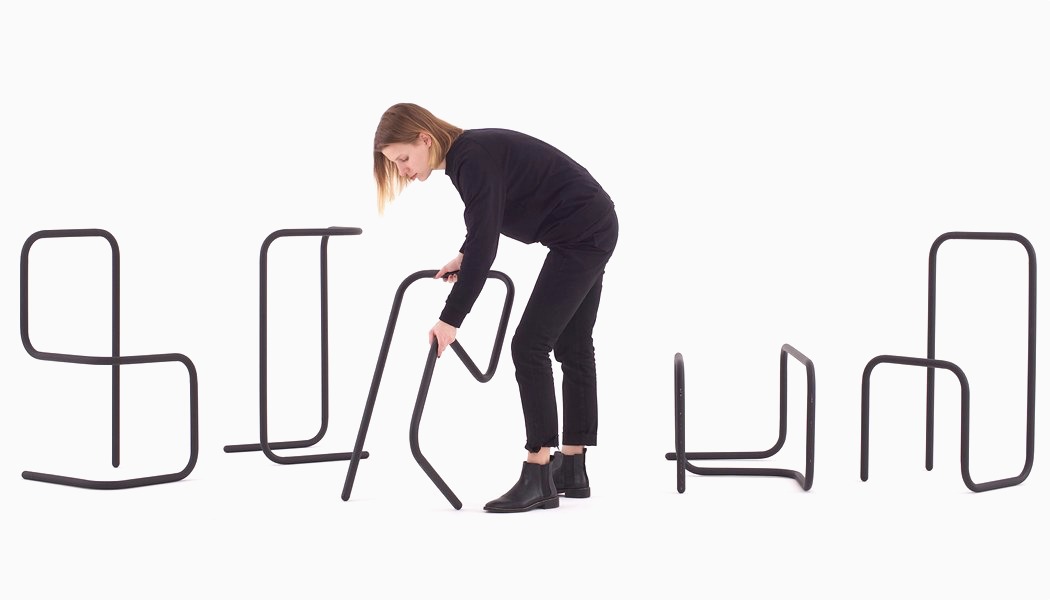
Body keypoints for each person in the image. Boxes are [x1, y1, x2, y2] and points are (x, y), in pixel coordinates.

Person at [373, 103, 618, 513]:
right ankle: (572, 469)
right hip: (590, 226)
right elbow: (485, 222)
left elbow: (487, 242)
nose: (402, 170)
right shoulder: (469, 157)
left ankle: (538, 471)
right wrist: (465, 255)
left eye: (402, 158)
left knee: (529, 345)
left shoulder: (471, 157)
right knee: (572, 345)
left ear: (424, 139)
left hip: (583, 234)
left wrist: (450, 319)